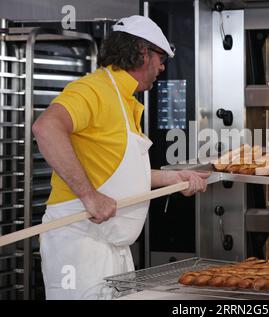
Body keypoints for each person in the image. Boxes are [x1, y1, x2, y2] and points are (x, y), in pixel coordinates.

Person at [32, 15, 210, 300]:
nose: (162, 67)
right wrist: (89, 196)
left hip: (111, 247)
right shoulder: (93, 89)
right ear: (143, 53)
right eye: (161, 58)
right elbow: (45, 127)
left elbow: (117, 170)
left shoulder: (126, 100)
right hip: (78, 244)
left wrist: (172, 178)